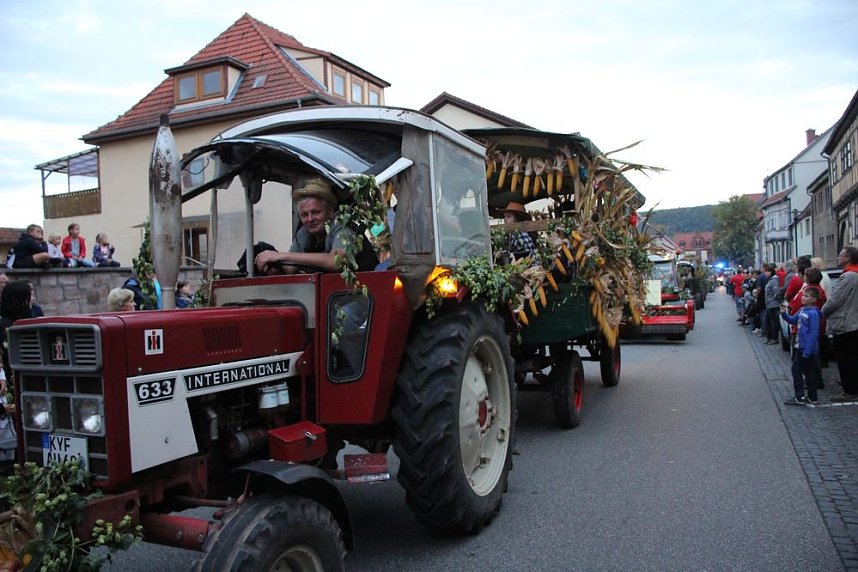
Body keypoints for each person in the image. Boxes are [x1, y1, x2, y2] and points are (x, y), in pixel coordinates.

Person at [254, 178, 378, 275]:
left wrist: (281, 255)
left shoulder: (344, 227)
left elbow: (336, 262)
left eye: (315, 212)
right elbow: (290, 269)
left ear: (330, 212)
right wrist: (273, 265)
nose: (310, 219)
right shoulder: (304, 233)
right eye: (304, 215)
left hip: (361, 293)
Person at [822, 246, 858, 402]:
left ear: (848, 258)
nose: (838, 257)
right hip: (852, 321)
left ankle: (850, 390)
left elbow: (835, 301)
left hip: (845, 323)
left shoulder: (848, 276)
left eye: (841, 255)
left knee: (846, 359)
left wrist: (822, 311)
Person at [781, 286, 823, 406]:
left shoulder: (813, 314)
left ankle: (800, 396)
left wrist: (807, 351)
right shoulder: (802, 310)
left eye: (807, 296)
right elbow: (793, 320)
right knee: (808, 372)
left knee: (797, 370)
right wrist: (784, 314)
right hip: (800, 346)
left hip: (807, 348)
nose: (803, 298)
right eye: (803, 295)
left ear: (814, 299)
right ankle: (812, 397)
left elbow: (813, 334)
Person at [763, 264, 780, 344]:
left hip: (773, 304)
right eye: (766, 271)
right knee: (767, 321)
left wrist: (774, 299)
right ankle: (769, 337)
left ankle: (774, 338)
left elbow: (776, 292)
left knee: (773, 321)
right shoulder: (770, 280)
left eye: (768, 271)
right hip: (769, 304)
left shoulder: (774, 280)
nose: (766, 273)